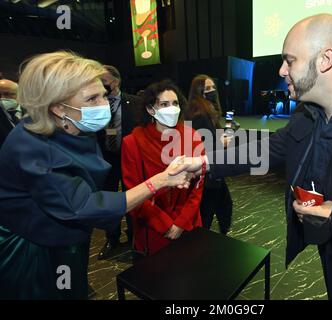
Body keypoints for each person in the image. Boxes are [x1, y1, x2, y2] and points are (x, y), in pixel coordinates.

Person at [172, 14, 332, 299]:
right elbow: (271, 148)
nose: (282, 70)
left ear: (325, 59)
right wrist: (205, 161)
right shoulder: (307, 114)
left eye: (290, 60)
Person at [0, 51, 191, 299]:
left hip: (65, 237)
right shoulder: (30, 147)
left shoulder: (74, 127)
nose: (103, 105)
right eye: (91, 99)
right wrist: (161, 180)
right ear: (57, 107)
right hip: (32, 248)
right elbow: (83, 205)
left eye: (103, 94)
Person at [121, 80, 204, 256]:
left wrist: (181, 223)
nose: (172, 108)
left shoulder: (192, 136)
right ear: (151, 109)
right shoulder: (132, 142)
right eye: (164, 104)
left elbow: (198, 186)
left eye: (175, 103)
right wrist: (165, 226)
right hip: (153, 226)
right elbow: (133, 191)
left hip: (188, 221)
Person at [97, 65, 143, 259]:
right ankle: (112, 238)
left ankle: (134, 237)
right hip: (106, 159)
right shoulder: (96, 103)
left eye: (104, 81)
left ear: (115, 81)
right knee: (108, 201)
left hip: (129, 159)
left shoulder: (136, 103)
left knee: (132, 198)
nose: (101, 85)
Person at [184, 74, 233, 234]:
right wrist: (222, 142)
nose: (212, 91)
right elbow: (199, 144)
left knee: (223, 206)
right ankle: (201, 244)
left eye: (213, 88)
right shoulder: (199, 114)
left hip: (212, 168)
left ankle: (216, 238)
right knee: (209, 210)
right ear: (199, 91)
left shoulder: (205, 109)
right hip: (206, 170)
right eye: (207, 88)